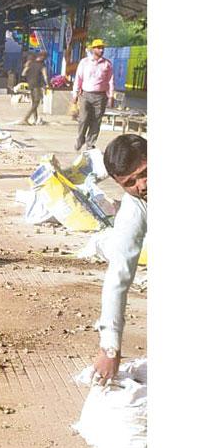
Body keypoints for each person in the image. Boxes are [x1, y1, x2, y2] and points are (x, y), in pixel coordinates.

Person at [91, 134, 148, 385]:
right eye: (131, 182)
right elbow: (118, 276)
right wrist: (110, 348)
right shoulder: (135, 207)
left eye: (145, 172)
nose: (142, 185)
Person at [72, 38, 115, 152]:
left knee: (96, 120)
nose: (101, 50)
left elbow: (110, 80)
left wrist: (111, 96)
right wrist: (75, 94)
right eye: (99, 48)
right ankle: (80, 138)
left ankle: (90, 143)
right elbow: (78, 78)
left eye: (102, 48)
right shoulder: (84, 62)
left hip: (100, 96)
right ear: (93, 49)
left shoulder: (107, 64)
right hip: (86, 95)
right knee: (83, 119)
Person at [18, 52, 50, 126]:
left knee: (33, 102)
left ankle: (35, 119)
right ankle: (25, 118)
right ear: (43, 57)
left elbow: (23, 73)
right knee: (36, 103)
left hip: (30, 85)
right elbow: (45, 76)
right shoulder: (42, 65)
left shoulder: (31, 63)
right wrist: (48, 84)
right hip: (37, 85)